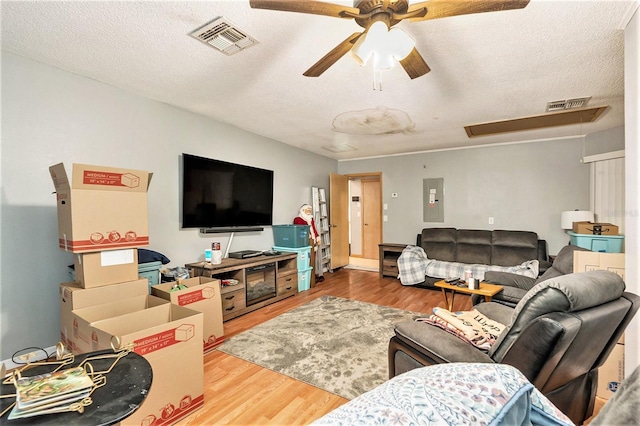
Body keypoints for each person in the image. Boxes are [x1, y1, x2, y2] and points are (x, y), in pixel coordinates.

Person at [294, 204, 324, 283]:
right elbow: (300, 230)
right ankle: (307, 278)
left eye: (310, 210)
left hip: (313, 242)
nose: (309, 212)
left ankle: (312, 277)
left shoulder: (310, 219)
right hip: (305, 243)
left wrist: (317, 237)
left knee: (312, 260)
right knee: (306, 260)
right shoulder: (298, 219)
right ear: (303, 210)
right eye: (307, 210)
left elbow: (314, 229)